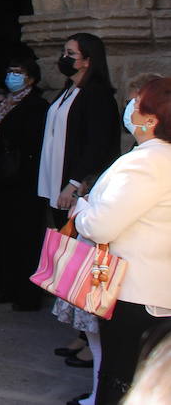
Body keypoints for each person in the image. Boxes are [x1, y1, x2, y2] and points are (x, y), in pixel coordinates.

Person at [72, 76, 171, 404]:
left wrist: (81, 210)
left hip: (135, 292)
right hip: (155, 290)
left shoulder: (145, 162)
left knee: (120, 380)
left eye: (137, 102)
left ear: (151, 118)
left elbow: (101, 226)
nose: (130, 108)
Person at [0, 53, 48, 311]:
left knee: (24, 236)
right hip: (4, 177)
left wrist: (1, 146)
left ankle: (26, 294)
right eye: (10, 70)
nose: (12, 76)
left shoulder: (36, 106)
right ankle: (6, 286)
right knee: (6, 234)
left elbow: (28, 140)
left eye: (19, 72)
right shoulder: (5, 103)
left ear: (31, 78)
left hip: (23, 179)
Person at [39, 33, 120, 224]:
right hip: (56, 177)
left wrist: (74, 182)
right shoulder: (70, 90)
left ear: (87, 61)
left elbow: (97, 143)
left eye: (70, 54)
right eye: (63, 52)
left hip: (74, 183)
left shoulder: (97, 94)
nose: (64, 58)